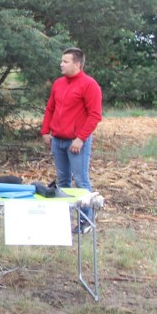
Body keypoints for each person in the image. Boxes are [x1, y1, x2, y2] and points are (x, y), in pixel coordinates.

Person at [40, 47, 102, 234]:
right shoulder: (59, 83)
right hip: (58, 140)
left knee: (81, 181)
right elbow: (50, 108)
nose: (61, 64)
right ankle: (62, 220)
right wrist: (45, 131)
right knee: (63, 180)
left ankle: (85, 222)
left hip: (76, 142)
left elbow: (94, 115)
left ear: (77, 64)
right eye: (62, 61)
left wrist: (80, 138)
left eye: (65, 61)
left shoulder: (89, 85)